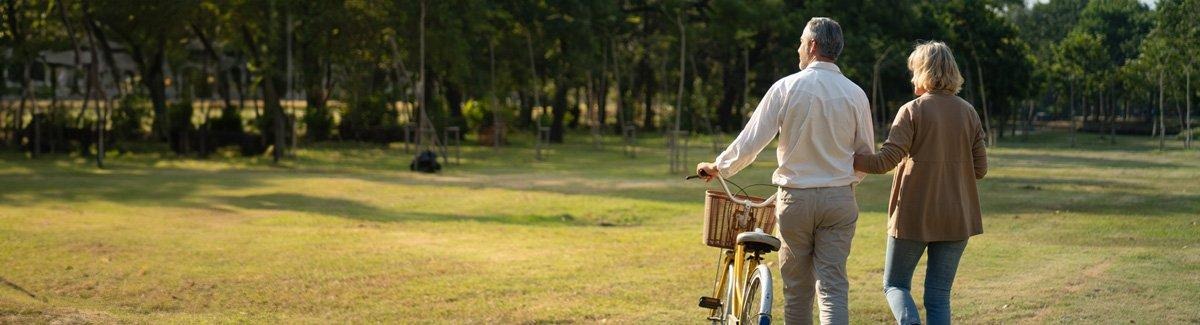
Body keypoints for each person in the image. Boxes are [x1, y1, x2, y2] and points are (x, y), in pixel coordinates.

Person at [696, 17, 874, 325]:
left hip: (796, 200)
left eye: (802, 42)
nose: (798, 49)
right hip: (839, 200)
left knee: (797, 291)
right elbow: (865, 156)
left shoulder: (787, 87)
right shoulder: (855, 93)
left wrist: (720, 167)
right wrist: (842, 183)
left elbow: (751, 141)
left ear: (813, 45)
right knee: (832, 289)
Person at [852, 41, 987, 325]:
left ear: (924, 72)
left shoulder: (912, 111)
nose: (912, 76)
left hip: (913, 216)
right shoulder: (969, 112)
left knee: (895, 285)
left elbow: (884, 162)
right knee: (938, 296)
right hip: (957, 217)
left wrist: (846, 157)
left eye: (914, 70)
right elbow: (981, 169)